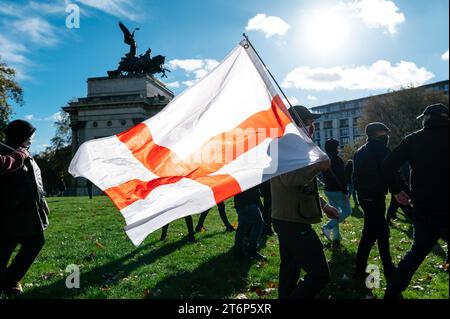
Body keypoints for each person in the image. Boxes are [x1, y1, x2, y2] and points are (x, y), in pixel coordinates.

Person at [271, 105, 339, 299]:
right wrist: (318, 167)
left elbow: (304, 187)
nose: (313, 126)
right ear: (298, 123)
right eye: (309, 122)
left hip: (291, 217)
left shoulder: (296, 145)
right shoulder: (282, 145)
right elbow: (289, 180)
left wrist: (324, 205)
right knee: (320, 275)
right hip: (291, 220)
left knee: (290, 270)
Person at [383, 103, 449, 299]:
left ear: (428, 118)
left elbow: (388, 165)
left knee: (416, 253)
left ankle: (392, 293)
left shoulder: (414, 139)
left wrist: (397, 190)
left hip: (424, 206)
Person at [0, 120, 49, 296]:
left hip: (28, 212)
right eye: (29, 137)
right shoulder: (5, 152)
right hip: (10, 214)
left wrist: (42, 203)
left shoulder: (24, 152)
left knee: (35, 243)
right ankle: (8, 282)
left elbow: (33, 182)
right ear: (21, 137)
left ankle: (9, 281)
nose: (31, 141)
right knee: (5, 250)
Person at [353, 122, 396, 281]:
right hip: (375, 197)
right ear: (377, 133)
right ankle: (387, 268)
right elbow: (389, 173)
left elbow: (355, 176)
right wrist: (398, 190)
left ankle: (368, 268)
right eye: (386, 133)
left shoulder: (360, 151)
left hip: (365, 197)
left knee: (375, 233)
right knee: (377, 233)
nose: (387, 136)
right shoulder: (382, 150)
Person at [321, 138, 352, 249]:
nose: (339, 148)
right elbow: (341, 177)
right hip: (337, 190)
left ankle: (336, 238)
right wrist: (345, 191)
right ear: (335, 148)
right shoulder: (337, 160)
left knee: (335, 213)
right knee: (347, 211)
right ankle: (327, 227)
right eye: (337, 146)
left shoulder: (324, 158)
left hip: (328, 189)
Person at [233, 185, 266, 261]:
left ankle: (238, 251)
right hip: (248, 201)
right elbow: (262, 193)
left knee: (242, 227)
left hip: (241, 202)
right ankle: (252, 251)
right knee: (258, 223)